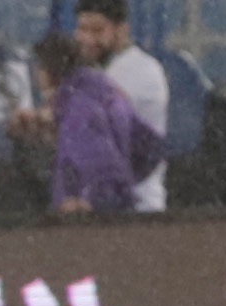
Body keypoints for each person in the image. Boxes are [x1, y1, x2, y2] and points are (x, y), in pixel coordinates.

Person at [36, 34, 161, 216]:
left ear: (48, 72)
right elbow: (149, 148)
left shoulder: (78, 112)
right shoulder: (104, 93)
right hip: (122, 219)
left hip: (96, 226)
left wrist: (93, 202)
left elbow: (103, 171)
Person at [77, 0, 170, 211]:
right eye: (82, 29)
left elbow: (92, 115)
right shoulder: (93, 70)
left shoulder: (142, 69)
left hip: (139, 210)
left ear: (122, 29)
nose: (87, 39)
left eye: (97, 30)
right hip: (98, 208)